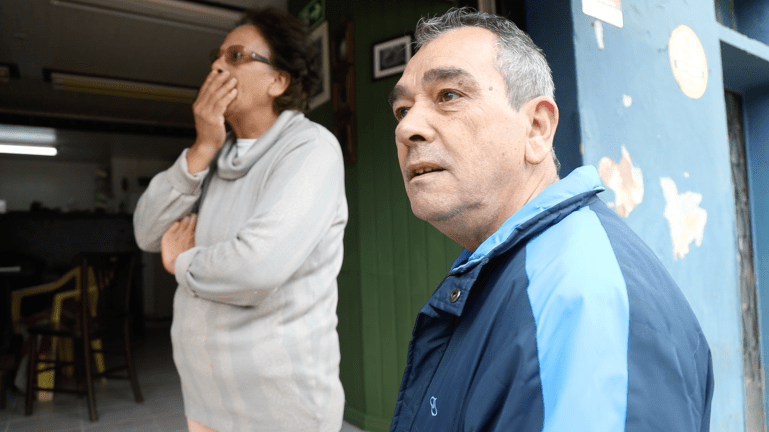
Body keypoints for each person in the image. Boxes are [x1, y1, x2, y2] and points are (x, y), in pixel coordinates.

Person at [387, 7, 713, 431]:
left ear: (537, 128)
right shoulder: (515, 268)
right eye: (402, 109)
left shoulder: (579, 298)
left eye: (448, 95)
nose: (407, 127)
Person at [133, 8, 347, 432]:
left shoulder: (311, 149)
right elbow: (146, 233)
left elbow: (256, 267)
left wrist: (183, 262)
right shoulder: (212, 157)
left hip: (281, 406)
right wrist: (201, 148)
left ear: (278, 80)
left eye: (235, 56)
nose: (216, 66)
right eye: (216, 56)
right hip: (204, 396)